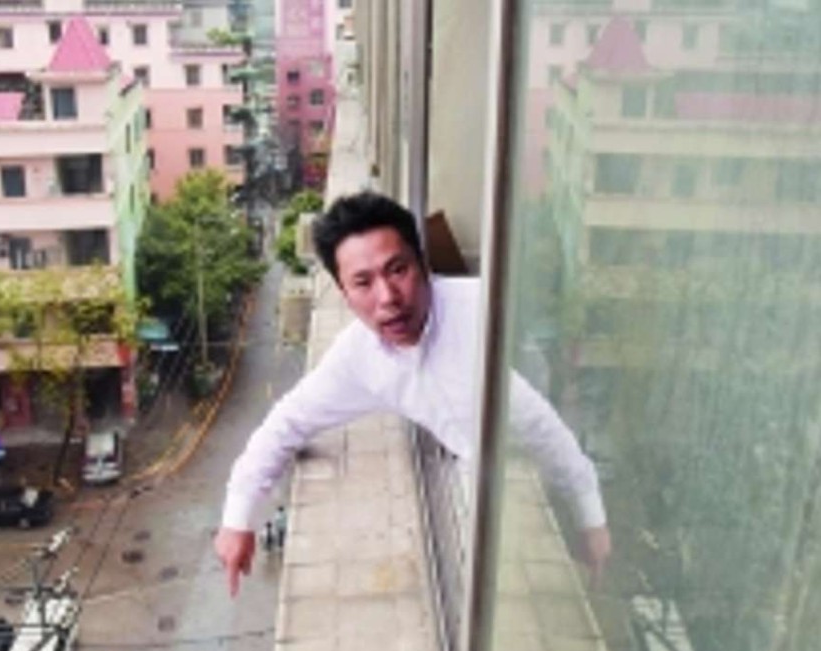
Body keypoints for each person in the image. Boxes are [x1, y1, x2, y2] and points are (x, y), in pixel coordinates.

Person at [215, 191, 612, 597]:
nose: (387, 298)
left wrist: (590, 519)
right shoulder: (360, 355)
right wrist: (237, 519)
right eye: (363, 283)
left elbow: (542, 427)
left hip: (529, 470)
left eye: (398, 270)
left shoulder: (480, 315)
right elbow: (288, 421)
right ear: (344, 294)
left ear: (423, 265)